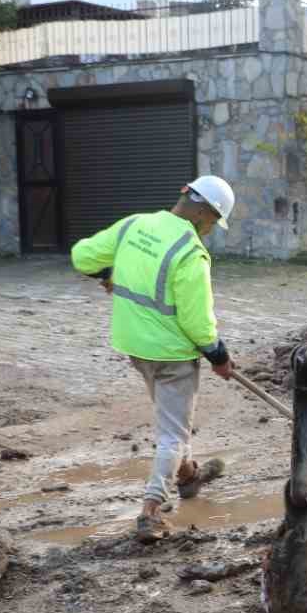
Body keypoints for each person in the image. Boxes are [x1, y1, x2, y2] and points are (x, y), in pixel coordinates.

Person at [71, 176, 237, 541]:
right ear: (204, 213)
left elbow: (81, 256)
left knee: (171, 418)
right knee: (173, 433)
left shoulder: (135, 225)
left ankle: (189, 476)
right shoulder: (191, 252)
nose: (210, 230)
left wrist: (108, 273)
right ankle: (151, 511)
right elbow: (198, 323)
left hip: (134, 345)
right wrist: (219, 357)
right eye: (212, 222)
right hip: (172, 355)